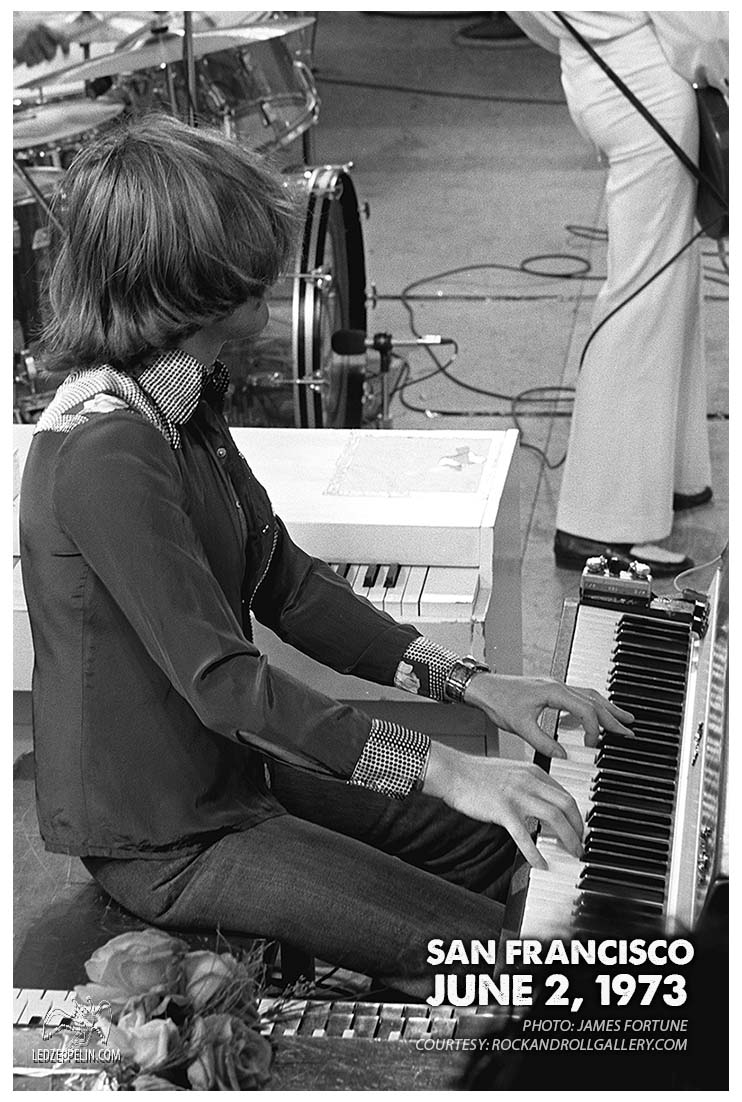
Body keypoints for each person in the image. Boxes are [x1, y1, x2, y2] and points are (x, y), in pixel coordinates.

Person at [20, 114, 633, 997]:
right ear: (189, 276)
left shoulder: (176, 396)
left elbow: (287, 583)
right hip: (171, 844)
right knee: (497, 958)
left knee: (511, 839)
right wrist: (446, 765)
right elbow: (226, 684)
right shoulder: (106, 452)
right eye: (246, 249)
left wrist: (470, 686)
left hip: (233, 784)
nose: (273, 262)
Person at [507, 12, 728, 577]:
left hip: (592, 70)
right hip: (646, 82)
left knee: (668, 280)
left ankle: (674, 475)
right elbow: (698, 22)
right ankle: (602, 524)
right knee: (644, 296)